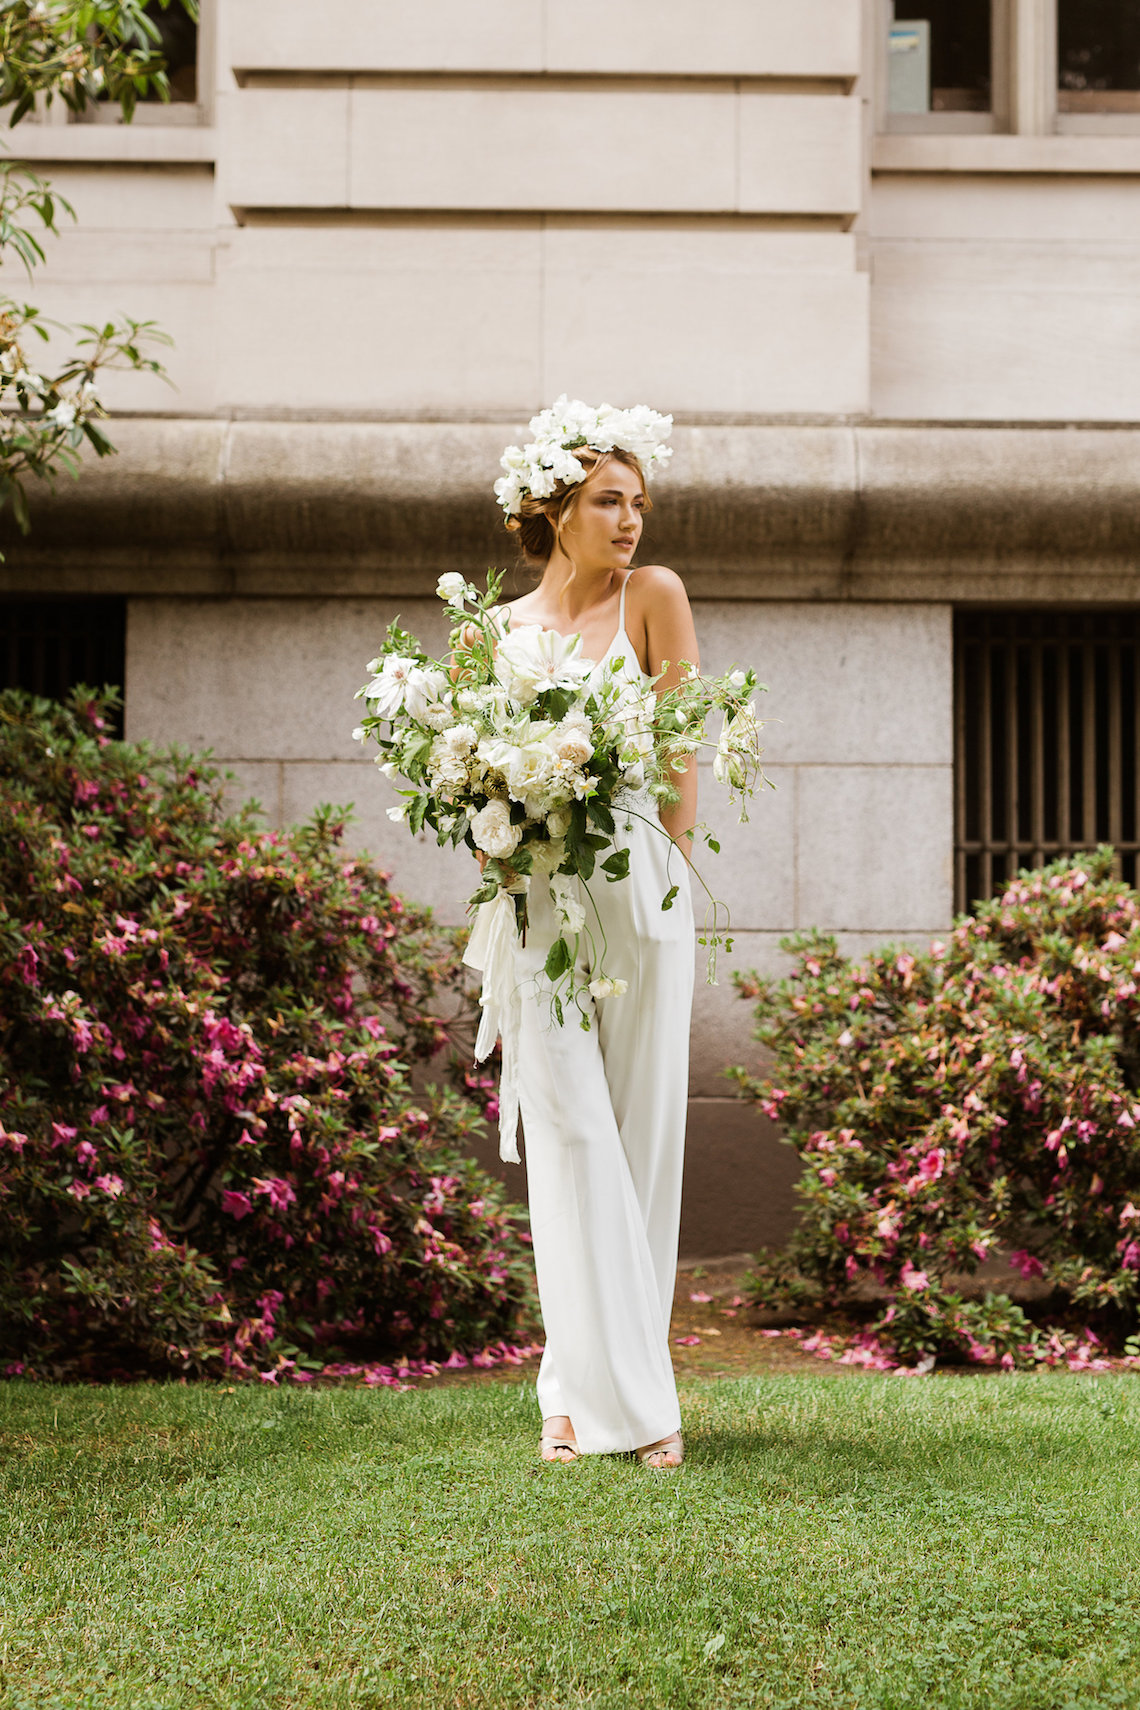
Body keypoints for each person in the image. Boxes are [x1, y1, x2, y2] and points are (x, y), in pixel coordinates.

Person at [465, 404, 697, 1471]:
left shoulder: (653, 597)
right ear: (555, 508)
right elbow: (470, 785)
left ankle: (606, 1391)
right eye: (609, 500)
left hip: (641, 890)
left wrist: (675, 873)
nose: (631, 520)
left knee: (640, 1136)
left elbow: (685, 750)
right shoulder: (494, 632)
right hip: (535, 906)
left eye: (639, 502)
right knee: (568, 1134)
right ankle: (600, 1398)